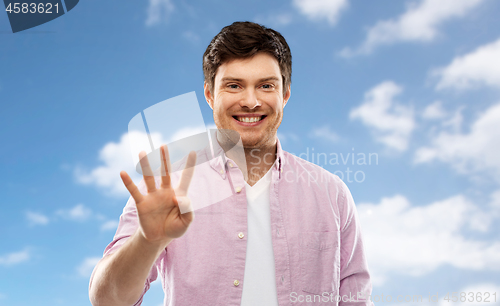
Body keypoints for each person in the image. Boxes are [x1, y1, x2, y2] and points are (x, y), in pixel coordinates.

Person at [89, 21, 373, 306]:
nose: (250, 101)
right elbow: (106, 300)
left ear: (284, 95)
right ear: (210, 95)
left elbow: (356, 301)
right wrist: (147, 241)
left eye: (265, 85)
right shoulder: (168, 185)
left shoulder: (331, 194)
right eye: (234, 85)